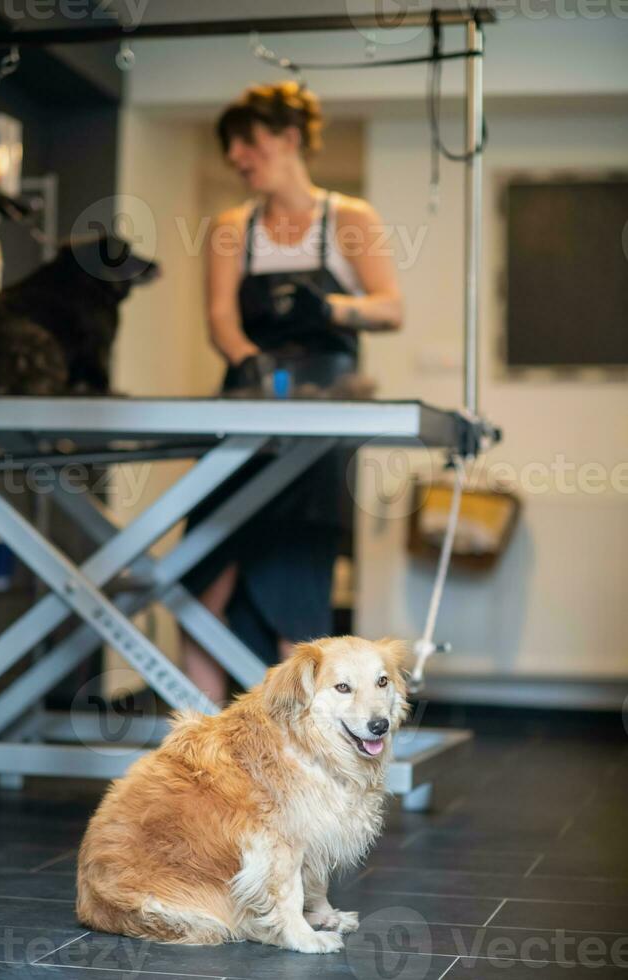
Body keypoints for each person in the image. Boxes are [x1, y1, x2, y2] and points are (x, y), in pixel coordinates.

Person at [181, 80, 403, 703]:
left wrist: (329, 307)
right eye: (231, 153)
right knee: (196, 583)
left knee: (293, 593)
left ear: (287, 139)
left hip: (320, 421)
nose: (238, 161)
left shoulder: (349, 219)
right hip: (245, 413)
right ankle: (199, 749)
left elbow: (390, 309)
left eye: (247, 146)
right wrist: (250, 360)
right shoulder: (232, 227)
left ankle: (302, 764)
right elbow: (221, 318)